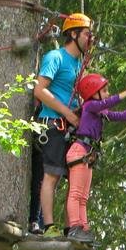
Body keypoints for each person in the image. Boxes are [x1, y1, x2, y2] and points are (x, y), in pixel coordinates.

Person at [64, 74, 126, 242]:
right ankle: (75, 227)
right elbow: (108, 102)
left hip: (87, 155)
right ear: (93, 93)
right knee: (76, 193)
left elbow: (121, 115)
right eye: (104, 91)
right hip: (79, 152)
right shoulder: (90, 106)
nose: (107, 93)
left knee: (83, 196)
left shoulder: (100, 112)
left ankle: (84, 228)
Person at [29, 12, 93, 235]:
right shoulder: (55, 57)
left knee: (74, 176)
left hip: (68, 126)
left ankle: (71, 227)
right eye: (86, 34)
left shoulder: (78, 65)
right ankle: (48, 226)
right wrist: (67, 112)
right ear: (73, 34)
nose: (89, 39)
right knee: (52, 175)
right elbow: (39, 89)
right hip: (53, 123)